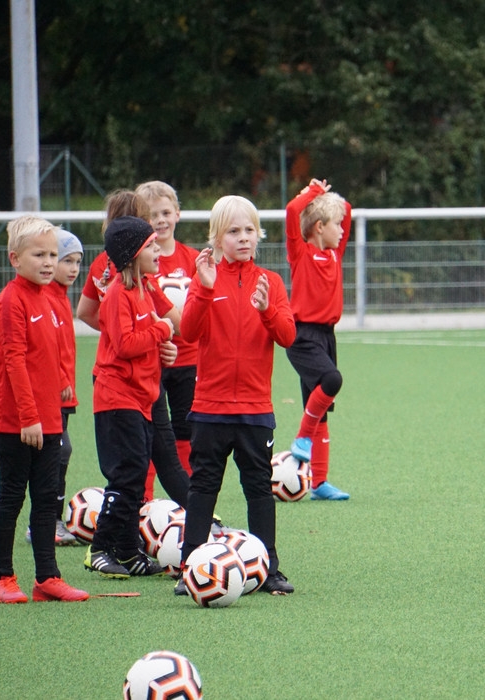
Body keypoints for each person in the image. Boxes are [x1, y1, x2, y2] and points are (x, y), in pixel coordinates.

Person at [174, 195, 297, 596]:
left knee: (259, 488)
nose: (243, 238)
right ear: (216, 238)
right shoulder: (205, 279)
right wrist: (205, 289)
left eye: (249, 230)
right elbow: (189, 331)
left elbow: (288, 336)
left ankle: (269, 568)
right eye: (233, 231)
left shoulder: (271, 282)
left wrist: (267, 310)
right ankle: (190, 567)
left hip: (255, 410)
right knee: (203, 486)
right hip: (209, 408)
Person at [0, 215, 89, 603]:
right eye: (39, 255)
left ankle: (47, 578)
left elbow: (50, 348)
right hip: (15, 421)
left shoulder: (49, 297)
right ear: (15, 258)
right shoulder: (11, 301)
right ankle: (2, 578)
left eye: (52, 255)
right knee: (12, 496)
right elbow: (13, 360)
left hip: (49, 416)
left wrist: (61, 380)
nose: (49, 262)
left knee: (47, 498)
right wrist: (28, 417)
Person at [75, 190, 193, 512]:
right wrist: (148, 335)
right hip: (127, 384)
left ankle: (185, 517)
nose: (153, 227)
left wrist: (143, 340)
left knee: (148, 459)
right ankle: (188, 520)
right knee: (144, 464)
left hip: (137, 377)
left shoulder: (114, 266)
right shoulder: (131, 277)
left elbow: (86, 312)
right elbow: (174, 324)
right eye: (147, 219)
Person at [84, 216, 177, 579]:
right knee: (126, 476)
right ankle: (99, 548)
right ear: (133, 254)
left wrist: (164, 349)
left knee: (136, 477)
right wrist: (162, 329)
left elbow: (146, 342)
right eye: (151, 246)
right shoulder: (118, 295)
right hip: (117, 398)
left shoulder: (145, 288)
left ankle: (127, 550)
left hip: (141, 397)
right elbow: (125, 345)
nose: (158, 251)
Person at [284, 178, 352, 500]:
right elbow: (292, 211)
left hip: (327, 336)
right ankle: (302, 437)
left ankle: (319, 483)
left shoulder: (335, 253)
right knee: (332, 380)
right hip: (303, 336)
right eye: (336, 224)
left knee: (321, 409)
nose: (342, 229)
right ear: (320, 227)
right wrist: (312, 193)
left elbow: (346, 208)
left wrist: (328, 197)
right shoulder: (301, 253)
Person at [135, 180, 199, 494]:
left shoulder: (193, 259)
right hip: (151, 359)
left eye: (165, 212)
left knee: (186, 430)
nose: (159, 220)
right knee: (150, 430)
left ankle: (189, 501)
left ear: (177, 214)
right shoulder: (139, 262)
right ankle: (144, 500)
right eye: (151, 215)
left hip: (189, 359)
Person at [44, 229, 84, 546]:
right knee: (57, 452)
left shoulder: (60, 297)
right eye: (66, 260)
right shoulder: (45, 297)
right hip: (50, 394)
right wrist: (60, 380)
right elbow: (45, 350)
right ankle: (45, 523)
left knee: (60, 452)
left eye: (78, 262)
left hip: (63, 393)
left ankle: (50, 521)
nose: (73, 268)